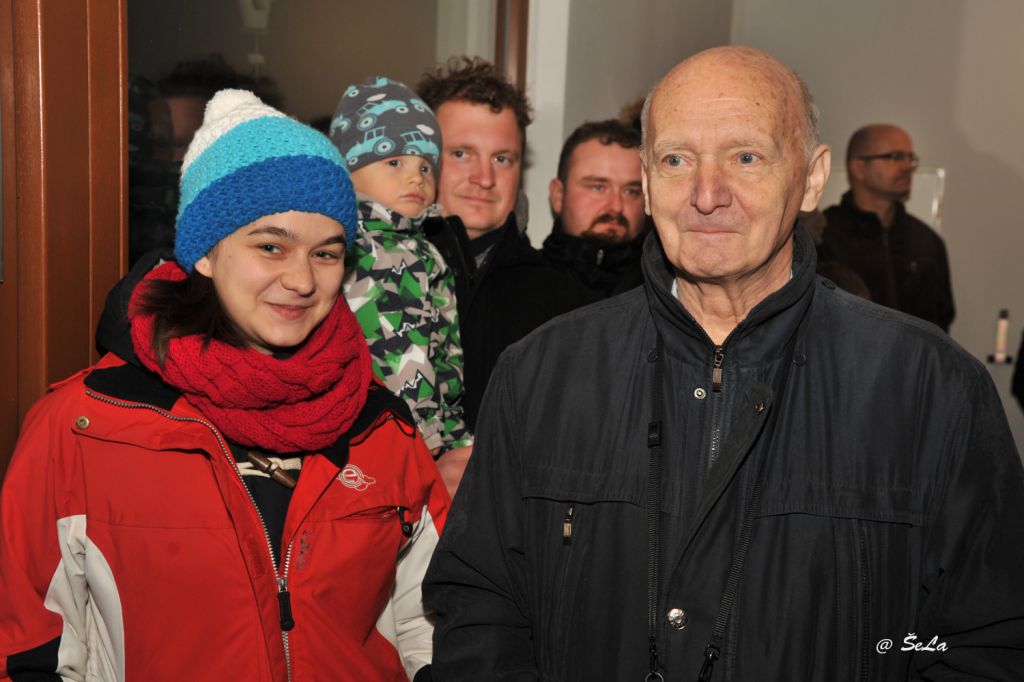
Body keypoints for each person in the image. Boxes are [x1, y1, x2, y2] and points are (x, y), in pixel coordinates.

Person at [423, 46, 1024, 680]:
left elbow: (988, 642)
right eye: (676, 160)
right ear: (648, 181)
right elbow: (480, 612)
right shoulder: (541, 374)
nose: (707, 195)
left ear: (812, 178)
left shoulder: (930, 388)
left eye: (746, 157)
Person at [0, 90, 447, 681]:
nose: (301, 279)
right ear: (205, 253)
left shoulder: (379, 424)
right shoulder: (84, 426)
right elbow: (29, 650)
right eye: (271, 246)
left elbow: (431, 622)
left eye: (326, 253)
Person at [415, 57, 595, 434]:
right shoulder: (372, 278)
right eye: (461, 153)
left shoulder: (566, 307)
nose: (484, 178)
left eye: (502, 158)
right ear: (422, 160)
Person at [329, 76, 472, 470]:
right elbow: (386, 354)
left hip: (427, 436)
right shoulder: (353, 247)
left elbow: (444, 351)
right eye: (394, 162)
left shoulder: (426, 251)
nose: (415, 177)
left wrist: (452, 432)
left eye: (426, 166)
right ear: (349, 171)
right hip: (371, 438)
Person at [818, 124, 955, 331]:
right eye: (895, 157)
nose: (907, 166)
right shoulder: (822, 235)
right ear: (858, 167)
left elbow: (941, 321)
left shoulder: (927, 241)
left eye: (910, 158)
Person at [543, 119, 648, 298]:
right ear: (558, 195)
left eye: (631, 191)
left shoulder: (670, 291)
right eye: (598, 187)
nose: (616, 206)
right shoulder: (517, 284)